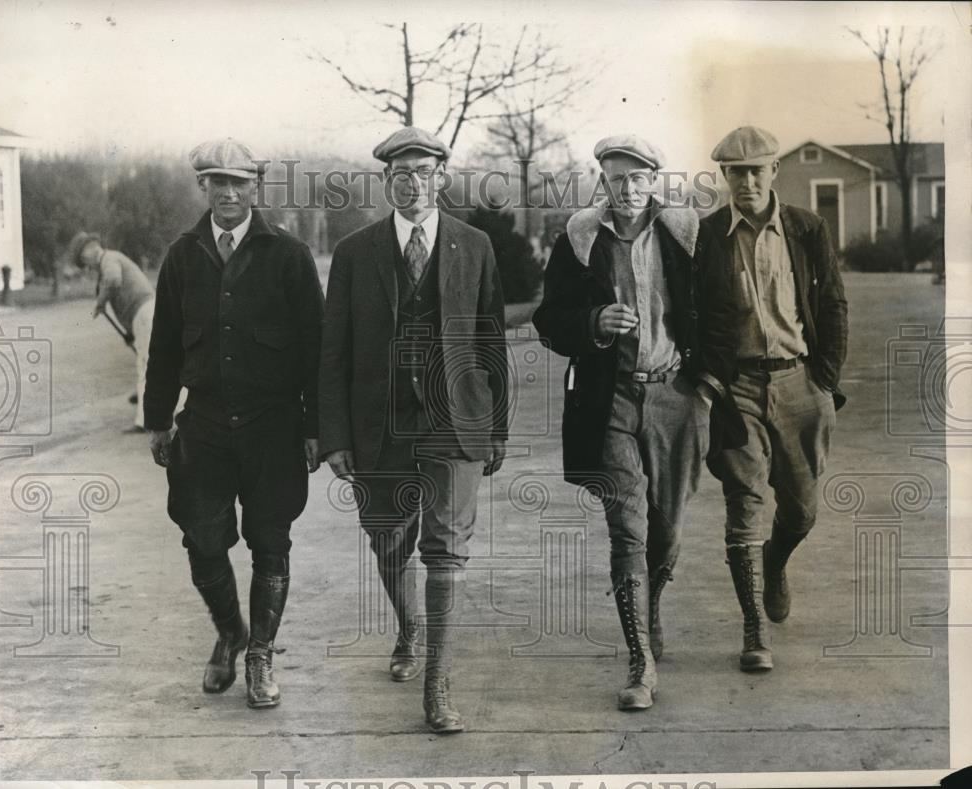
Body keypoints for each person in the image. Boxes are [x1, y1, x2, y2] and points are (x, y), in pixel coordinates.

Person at [532, 135, 745, 711]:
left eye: (636, 179)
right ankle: (639, 661)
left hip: (676, 395)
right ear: (602, 181)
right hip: (609, 401)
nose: (626, 190)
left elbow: (725, 312)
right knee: (628, 528)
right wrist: (595, 320)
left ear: (654, 180)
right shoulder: (580, 239)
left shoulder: (686, 235)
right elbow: (549, 319)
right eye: (615, 179)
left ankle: (650, 611)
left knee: (667, 527)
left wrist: (707, 385)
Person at [318, 126, 508, 733]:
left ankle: (438, 684)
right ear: (386, 183)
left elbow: (491, 336)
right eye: (400, 174)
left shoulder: (473, 245)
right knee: (388, 541)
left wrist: (497, 425)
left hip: (456, 421)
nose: (412, 183)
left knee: (446, 548)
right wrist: (336, 436)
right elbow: (334, 352)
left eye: (423, 172)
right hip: (380, 426)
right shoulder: (354, 252)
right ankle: (408, 629)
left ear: (441, 178)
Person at [143, 137, 325, 709]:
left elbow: (318, 351)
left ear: (256, 188)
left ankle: (261, 656)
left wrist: (317, 426)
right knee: (201, 536)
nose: (227, 192)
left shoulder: (289, 256)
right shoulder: (182, 255)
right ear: (203, 187)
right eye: (216, 182)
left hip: (274, 426)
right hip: (204, 424)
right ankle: (230, 632)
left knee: (271, 542)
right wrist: (157, 421)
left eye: (238, 182)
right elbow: (164, 346)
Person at [702, 126, 848, 672]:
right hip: (737, 385)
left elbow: (833, 304)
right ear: (724, 177)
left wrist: (825, 380)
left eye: (755, 170)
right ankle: (753, 631)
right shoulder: (708, 235)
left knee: (803, 511)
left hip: (800, 382)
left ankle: (777, 560)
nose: (745, 181)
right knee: (743, 503)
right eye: (734, 172)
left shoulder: (806, 228)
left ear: (773, 173)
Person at [69, 232, 155, 431]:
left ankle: (146, 420)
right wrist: (131, 333)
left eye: (84, 258)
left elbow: (114, 280)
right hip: (143, 315)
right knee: (154, 363)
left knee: (147, 366)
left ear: (92, 247)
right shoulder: (109, 260)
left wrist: (100, 303)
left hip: (143, 313)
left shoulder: (109, 259)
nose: (87, 265)